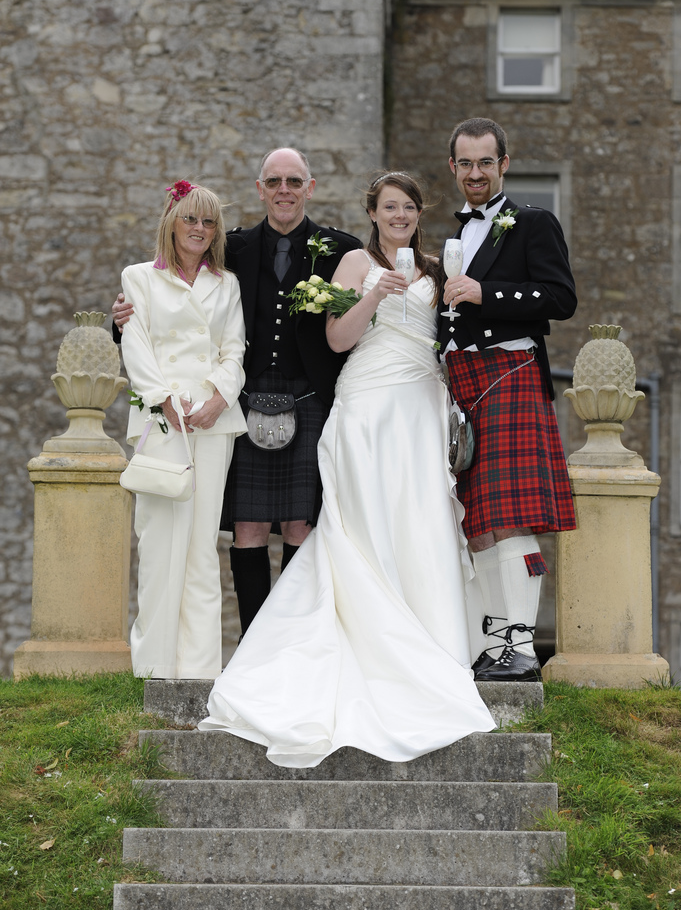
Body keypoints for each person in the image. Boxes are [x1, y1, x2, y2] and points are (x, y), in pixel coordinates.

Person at [197, 172, 496, 768]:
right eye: (390, 207)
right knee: (355, 524)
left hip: (418, 407)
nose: (400, 215)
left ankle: (430, 641)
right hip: (364, 406)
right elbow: (336, 340)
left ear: (418, 212)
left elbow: (449, 338)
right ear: (374, 212)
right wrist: (374, 295)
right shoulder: (355, 262)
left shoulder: (438, 269)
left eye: (409, 207)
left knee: (421, 519)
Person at [114, 149, 361, 639]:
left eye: (294, 181)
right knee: (245, 526)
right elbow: (169, 309)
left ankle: (293, 645)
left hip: (311, 398)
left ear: (309, 188)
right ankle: (254, 645)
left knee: (300, 525)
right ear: (260, 188)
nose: (284, 190)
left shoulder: (341, 249)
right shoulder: (235, 249)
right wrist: (120, 322)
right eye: (274, 181)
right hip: (242, 400)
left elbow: (360, 322)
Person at [437, 117, 577, 683]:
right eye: (465, 164)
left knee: (513, 518)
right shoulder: (452, 235)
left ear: (504, 165)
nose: (475, 173)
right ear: (453, 167)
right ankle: (497, 643)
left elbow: (561, 297)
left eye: (485, 163)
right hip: (461, 381)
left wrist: (484, 292)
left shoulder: (532, 222)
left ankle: (521, 647)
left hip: (510, 372)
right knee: (479, 521)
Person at [120, 181, 247, 679]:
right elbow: (137, 344)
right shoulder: (138, 278)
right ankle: (153, 670)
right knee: (158, 546)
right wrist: (164, 400)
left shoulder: (227, 284)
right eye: (190, 218)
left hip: (212, 424)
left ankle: (199, 674)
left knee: (200, 549)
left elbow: (234, 349)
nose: (199, 229)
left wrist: (219, 396)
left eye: (208, 221)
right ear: (171, 221)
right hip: (161, 422)